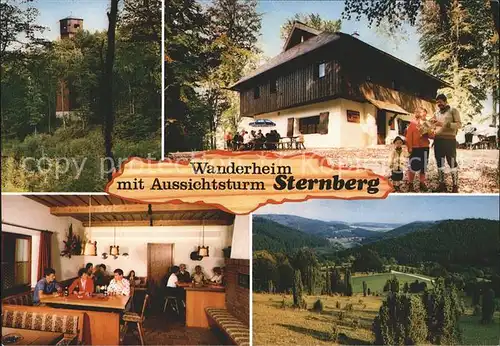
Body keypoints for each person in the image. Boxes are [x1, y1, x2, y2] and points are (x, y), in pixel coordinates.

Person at [431, 94, 461, 192]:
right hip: (438, 140)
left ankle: (455, 186)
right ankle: (442, 184)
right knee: (440, 162)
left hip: (449, 140)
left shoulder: (453, 111)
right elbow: (430, 125)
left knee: (452, 162)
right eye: (437, 102)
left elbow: (458, 125)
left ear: (445, 101)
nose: (439, 104)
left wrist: (443, 124)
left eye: (440, 102)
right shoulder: (436, 113)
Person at [405, 107, 431, 192]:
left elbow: (432, 136)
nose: (416, 113)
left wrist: (428, 132)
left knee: (423, 166)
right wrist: (409, 147)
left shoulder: (428, 123)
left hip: (425, 147)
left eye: (419, 112)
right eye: (415, 111)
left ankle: (422, 183)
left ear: (424, 113)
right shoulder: (412, 123)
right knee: (413, 166)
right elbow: (408, 136)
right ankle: (410, 183)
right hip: (415, 148)